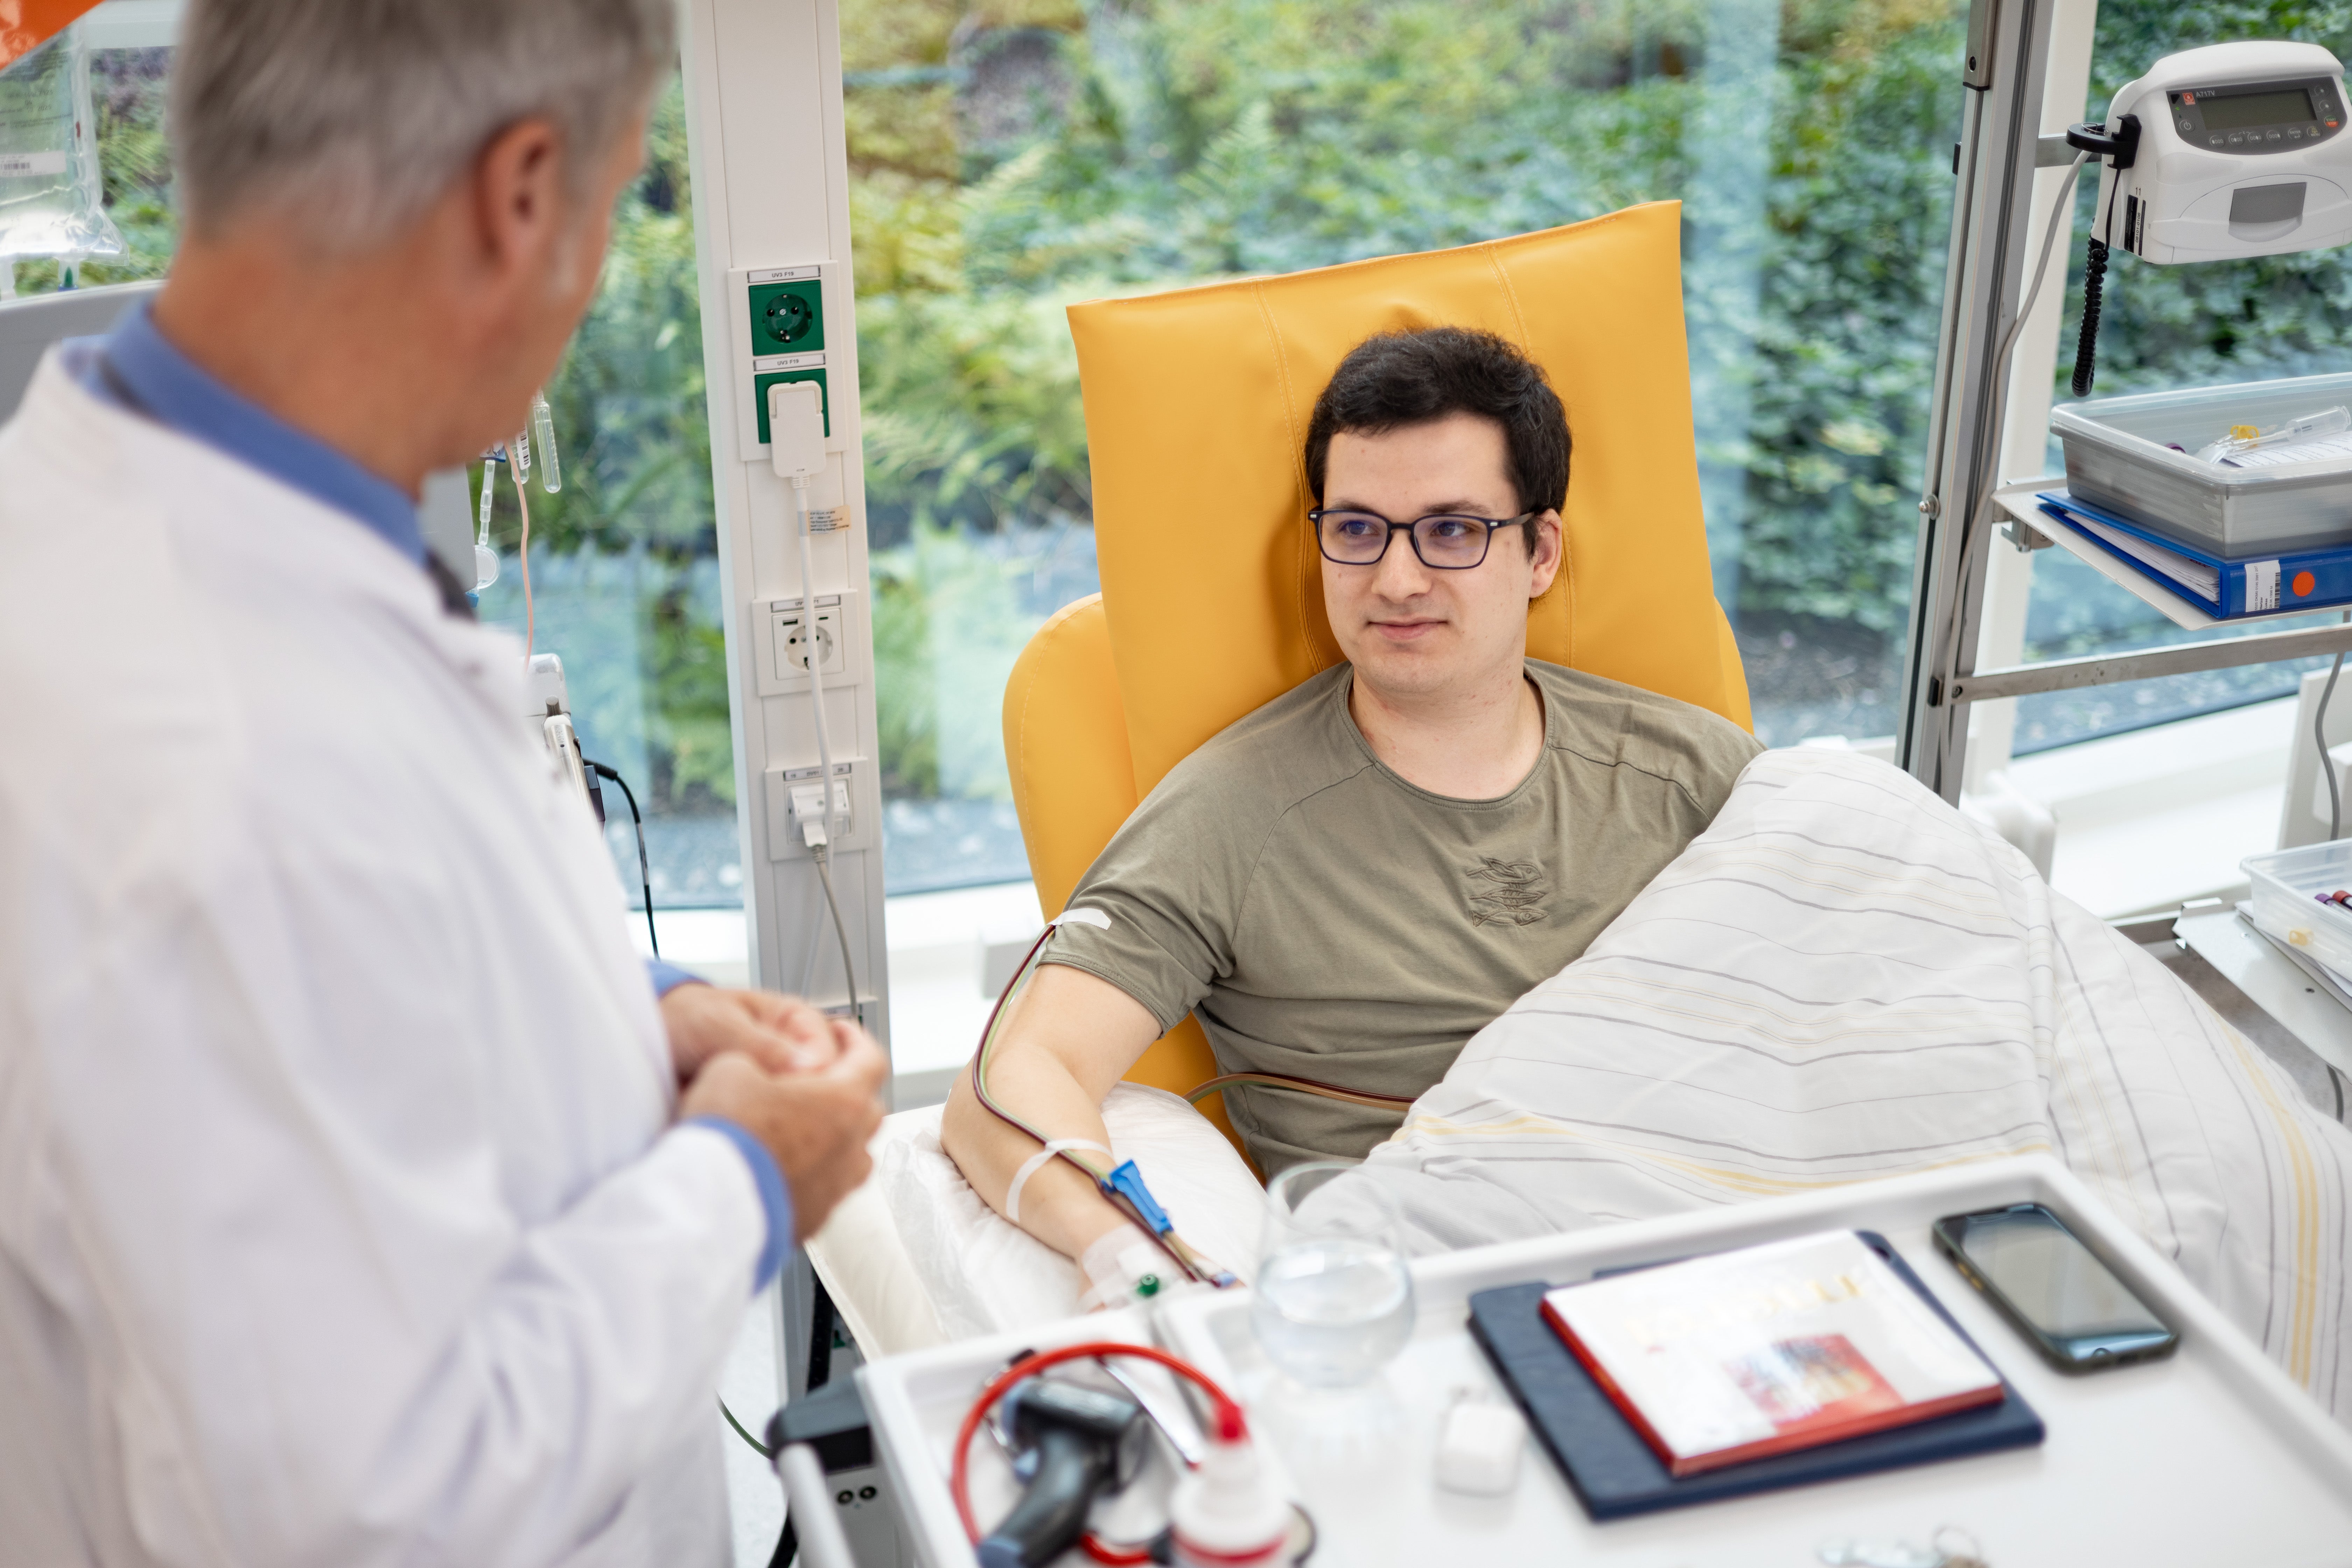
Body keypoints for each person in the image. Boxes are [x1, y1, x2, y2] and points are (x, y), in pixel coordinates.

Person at [0, 3, 887, 1563]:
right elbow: (383, 1503)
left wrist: (629, 1018)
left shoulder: (129, 527)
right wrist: (746, 1177)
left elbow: (344, 1013)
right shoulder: (222, 759)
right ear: (521, 195)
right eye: (615, 201)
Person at [941, 326, 1763, 1301]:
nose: (1396, 580)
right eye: (1359, 529)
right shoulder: (1232, 815)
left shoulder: (1696, 773)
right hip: (1432, 1303)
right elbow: (1008, 1085)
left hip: (1722, 1261)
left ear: (1541, 552)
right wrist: (1129, 1259)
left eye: (1452, 531)